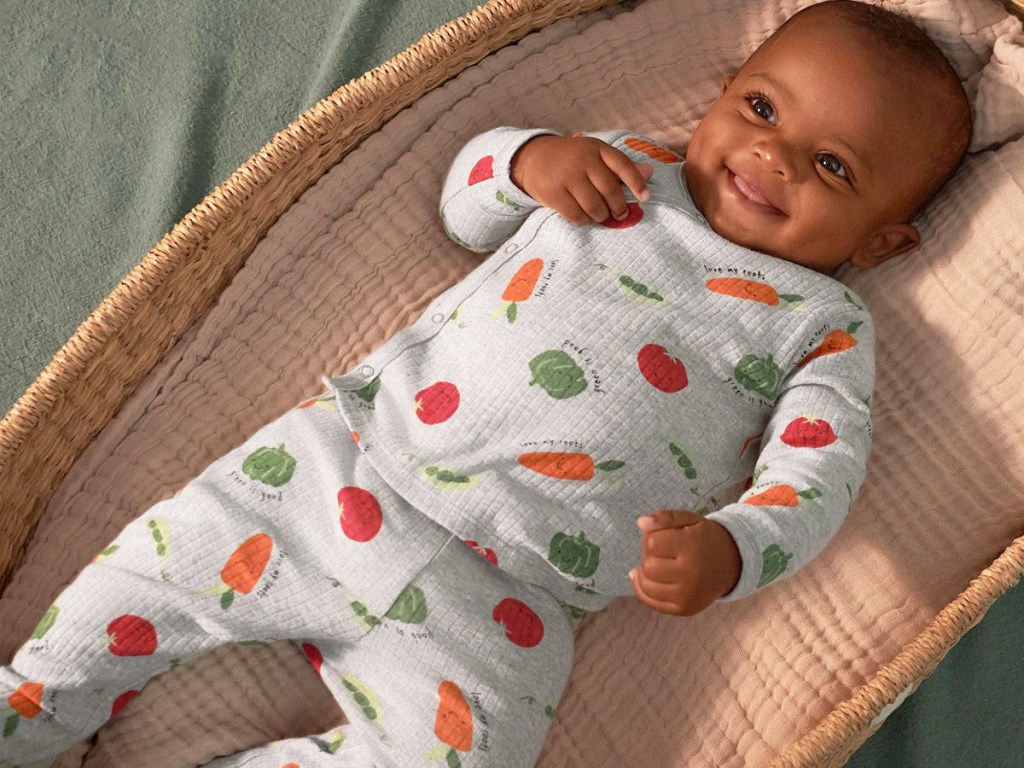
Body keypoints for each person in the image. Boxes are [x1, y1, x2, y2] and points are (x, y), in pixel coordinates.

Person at [0, 2, 971, 767]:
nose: (770, 155)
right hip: (347, 471)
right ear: (722, 92)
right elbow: (467, 208)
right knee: (151, 573)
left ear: (881, 241)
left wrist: (734, 549)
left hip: (510, 596)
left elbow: (818, 477)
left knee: (465, 754)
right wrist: (527, 160)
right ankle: (31, 711)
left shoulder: (818, 323)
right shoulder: (623, 166)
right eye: (760, 109)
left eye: (831, 166)